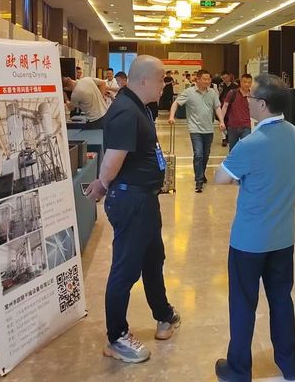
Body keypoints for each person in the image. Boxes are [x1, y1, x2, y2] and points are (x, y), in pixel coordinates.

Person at [84, 55, 180, 364]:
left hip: (145, 200)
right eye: (161, 79)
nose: (165, 85)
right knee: (126, 269)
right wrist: (102, 184)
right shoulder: (126, 111)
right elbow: (112, 162)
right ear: (144, 80)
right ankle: (117, 337)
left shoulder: (139, 107)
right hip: (132, 201)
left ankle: (163, 314)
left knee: (153, 259)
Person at [213, 74, 295, 382]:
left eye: (250, 97)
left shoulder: (250, 144)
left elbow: (220, 178)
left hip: (249, 241)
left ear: (262, 104)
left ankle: (238, 370)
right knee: (281, 299)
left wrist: (242, 178)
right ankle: (289, 363)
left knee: (242, 305)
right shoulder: (294, 134)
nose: (247, 101)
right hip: (283, 237)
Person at [169, 69, 226, 192]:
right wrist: (171, 116)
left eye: (208, 79)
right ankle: (198, 180)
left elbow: (217, 107)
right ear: (198, 79)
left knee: (206, 154)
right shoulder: (189, 92)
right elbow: (176, 103)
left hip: (209, 129)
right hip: (195, 129)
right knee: (198, 154)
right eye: (204, 79)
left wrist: (221, 121)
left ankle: (201, 173)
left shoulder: (212, 93)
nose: (207, 81)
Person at [220, 73, 253, 151]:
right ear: (240, 82)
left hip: (246, 126)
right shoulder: (232, 93)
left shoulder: (252, 95)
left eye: (249, 82)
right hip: (232, 126)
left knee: (246, 148)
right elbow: (225, 107)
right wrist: (221, 121)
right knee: (233, 149)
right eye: (245, 82)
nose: (247, 84)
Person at [218, 71, 239, 147]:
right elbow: (219, 95)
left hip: (232, 107)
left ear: (229, 77)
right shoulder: (221, 86)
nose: (225, 79)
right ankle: (224, 138)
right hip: (222, 106)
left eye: (226, 77)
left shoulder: (235, 86)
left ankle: (229, 136)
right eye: (223, 78)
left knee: (230, 122)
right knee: (222, 121)